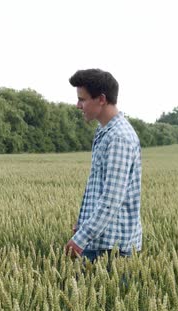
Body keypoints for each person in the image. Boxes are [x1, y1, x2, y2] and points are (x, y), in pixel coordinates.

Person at [64, 69, 142, 263]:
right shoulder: (105, 131)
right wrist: (82, 223)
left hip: (111, 249)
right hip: (100, 241)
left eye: (82, 99)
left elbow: (111, 199)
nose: (78, 105)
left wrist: (79, 240)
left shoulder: (118, 137)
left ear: (101, 99)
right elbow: (98, 188)